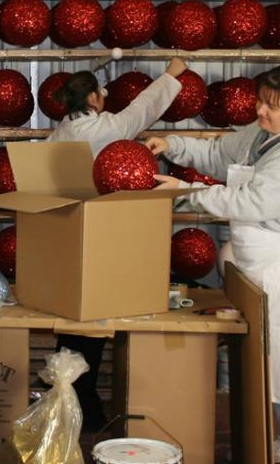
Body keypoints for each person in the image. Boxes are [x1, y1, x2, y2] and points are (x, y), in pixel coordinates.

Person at [145, 64, 280, 464]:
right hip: (257, 266)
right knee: (262, 365)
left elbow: (251, 203)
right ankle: (270, 446)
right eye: (260, 102)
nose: (260, 111)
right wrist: (172, 144)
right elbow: (216, 153)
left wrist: (189, 192)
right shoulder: (261, 134)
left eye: (272, 106)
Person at [47, 57, 188, 430]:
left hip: (62, 237)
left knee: (71, 319)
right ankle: (83, 404)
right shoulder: (105, 127)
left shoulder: (58, 134)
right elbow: (142, 109)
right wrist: (171, 75)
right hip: (98, 235)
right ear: (93, 97)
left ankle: (72, 396)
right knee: (91, 321)